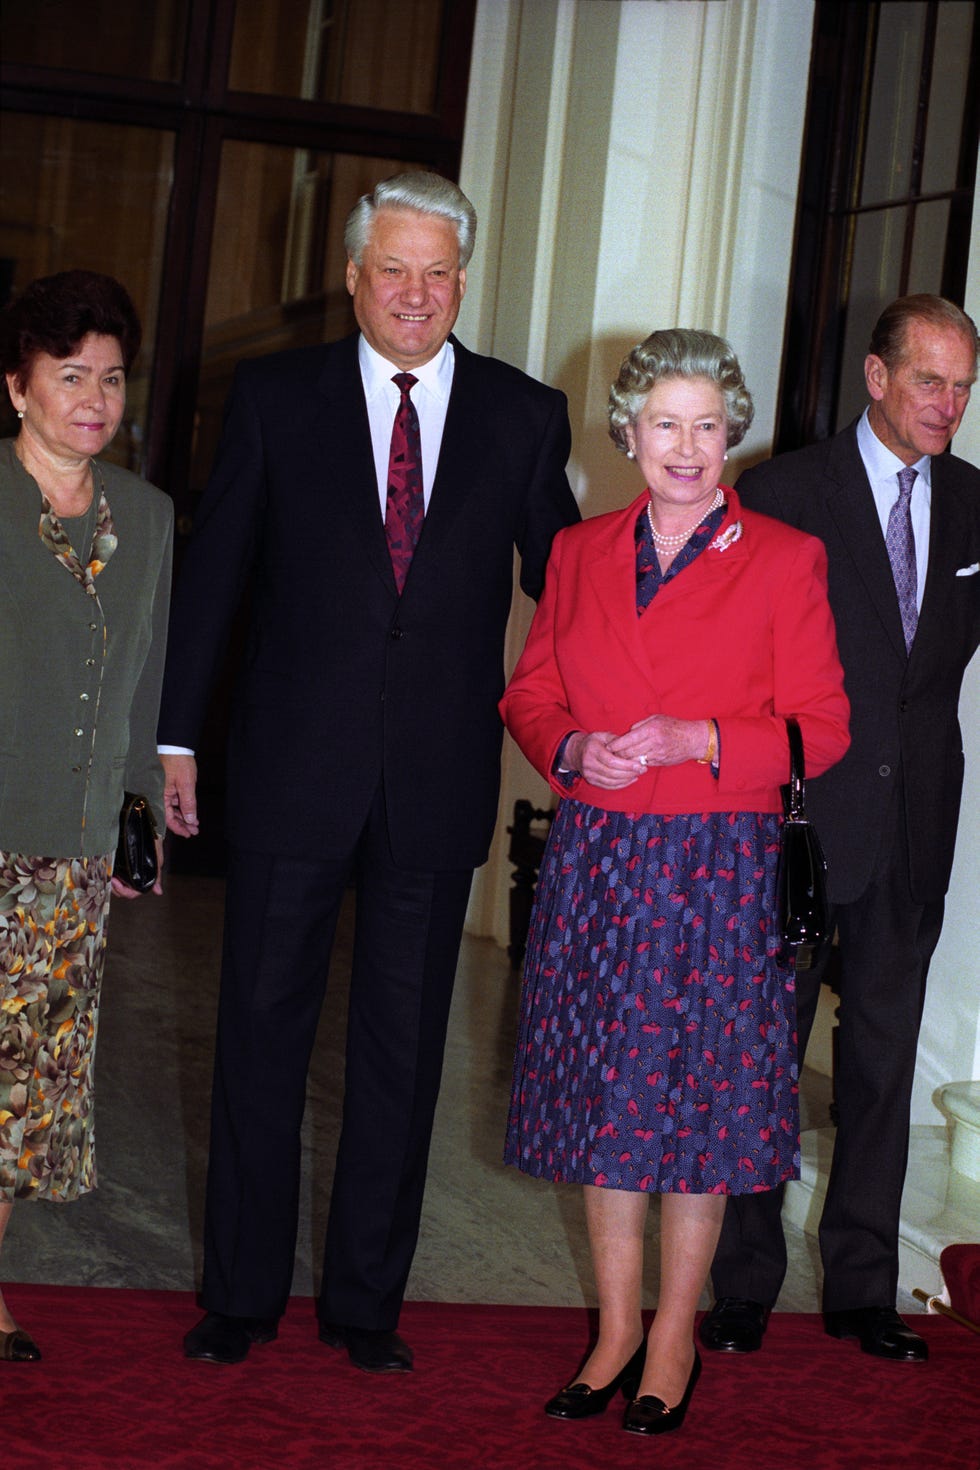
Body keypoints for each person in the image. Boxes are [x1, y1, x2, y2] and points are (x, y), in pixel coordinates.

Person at [158, 170, 580, 1372]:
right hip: (292, 763)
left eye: (435, 272)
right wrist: (177, 734)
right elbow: (219, 569)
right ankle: (238, 1293)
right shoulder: (275, 398)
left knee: (401, 1052)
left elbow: (568, 590)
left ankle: (364, 1307)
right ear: (352, 278)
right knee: (258, 1033)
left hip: (437, 778)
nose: (413, 292)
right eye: (391, 269)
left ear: (462, 280)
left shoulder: (518, 413)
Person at [500, 328, 850, 1435]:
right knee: (605, 1105)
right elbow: (531, 692)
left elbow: (823, 726)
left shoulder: (784, 557)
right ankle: (610, 1330)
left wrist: (701, 734)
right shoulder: (579, 551)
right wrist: (569, 752)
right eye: (664, 425)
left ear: (729, 432)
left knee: (693, 1113)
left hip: (717, 867)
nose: (686, 448)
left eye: (706, 425)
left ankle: (671, 1337)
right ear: (628, 434)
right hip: (601, 858)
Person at [701, 294, 980, 1364]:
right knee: (757, 1062)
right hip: (793, 827)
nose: (944, 406)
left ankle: (862, 1289)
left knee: (878, 1064)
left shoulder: (968, 505)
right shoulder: (780, 492)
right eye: (926, 381)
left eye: (960, 388)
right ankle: (741, 1285)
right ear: (874, 377)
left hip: (911, 828)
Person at [0, 270, 172, 1362]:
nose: (94, 398)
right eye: (71, 376)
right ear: (16, 387)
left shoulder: (146, 515)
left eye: (110, 378)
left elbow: (144, 679)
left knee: (22, 1086)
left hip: (66, 849)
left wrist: (136, 816)